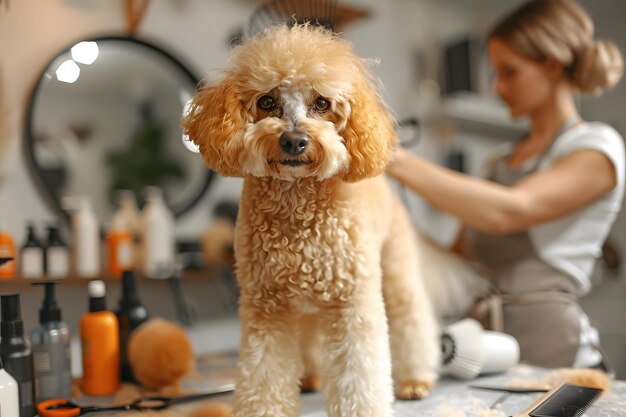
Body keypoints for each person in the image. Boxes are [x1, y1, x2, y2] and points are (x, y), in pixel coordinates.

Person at [387, 0, 624, 369]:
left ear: (552, 64)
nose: (497, 87)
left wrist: (391, 157)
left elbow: (510, 211)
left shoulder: (596, 147)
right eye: (495, 73)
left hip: (560, 359)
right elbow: (460, 257)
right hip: (483, 353)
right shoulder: (498, 163)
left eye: (509, 72)